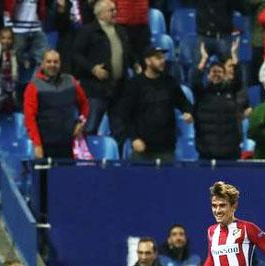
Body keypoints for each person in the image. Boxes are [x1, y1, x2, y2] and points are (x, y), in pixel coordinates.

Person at [120, 46, 194, 160]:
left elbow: (184, 103)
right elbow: (125, 114)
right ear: (147, 61)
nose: (162, 61)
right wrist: (134, 138)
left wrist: (188, 112)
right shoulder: (135, 84)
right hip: (142, 147)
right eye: (158, 58)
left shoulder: (170, 82)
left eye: (163, 58)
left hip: (166, 148)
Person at [72, 0, 131, 140]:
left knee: (120, 129)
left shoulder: (120, 30)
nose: (115, 13)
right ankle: (88, 158)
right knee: (91, 127)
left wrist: (134, 64)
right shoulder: (88, 31)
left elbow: (128, 51)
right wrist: (92, 68)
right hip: (96, 89)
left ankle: (118, 160)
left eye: (115, 9)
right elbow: (75, 54)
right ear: (100, 14)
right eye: (111, 10)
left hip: (119, 88)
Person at [24, 50, 89, 159]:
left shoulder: (70, 81)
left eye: (56, 62)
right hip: (45, 146)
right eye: (49, 62)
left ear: (60, 64)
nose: (52, 65)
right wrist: (37, 145)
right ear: (43, 64)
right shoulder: (33, 87)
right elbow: (30, 118)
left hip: (69, 145)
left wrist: (81, 122)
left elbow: (84, 104)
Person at [193, 45, 243, 160]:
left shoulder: (231, 91)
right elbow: (195, 81)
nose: (216, 74)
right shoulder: (202, 94)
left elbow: (238, 79)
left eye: (220, 71)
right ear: (208, 75)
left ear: (225, 75)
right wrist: (204, 59)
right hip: (206, 152)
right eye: (213, 72)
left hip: (230, 151)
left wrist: (234, 55)